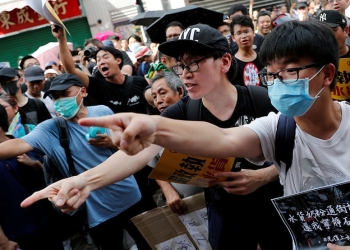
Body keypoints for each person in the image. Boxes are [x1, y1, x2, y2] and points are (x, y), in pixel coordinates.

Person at [51, 20, 348, 250]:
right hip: (225, 213)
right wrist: (85, 180)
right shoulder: (183, 115)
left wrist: (265, 175)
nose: (186, 73)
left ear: (225, 63)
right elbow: (211, 140)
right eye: (181, 66)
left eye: (194, 62)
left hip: (277, 211)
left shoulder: (264, 101)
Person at [8, 73, 151, 250]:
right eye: (55, 97)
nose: (60, 101)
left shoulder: (102, 112)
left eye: (65, 94)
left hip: (131, 196)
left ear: (82, 92)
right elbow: (19, 144)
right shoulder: (50, 129)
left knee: (151, 244)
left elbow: (130, 149)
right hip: (98, 212)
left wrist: (112, 142)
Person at [0, 105, 68, 250]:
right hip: (16, 234)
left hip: (46, 223)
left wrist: (35, 165)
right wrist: (3, 241)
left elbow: (53, 178)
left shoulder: (27, 146)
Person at [231, 15, 264, 86]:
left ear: (253, 33)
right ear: (233, 38)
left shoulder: (264, 59)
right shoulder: (232, 65)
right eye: (239, 33)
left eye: (246, 31)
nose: (243, 36)